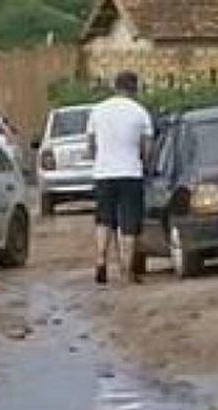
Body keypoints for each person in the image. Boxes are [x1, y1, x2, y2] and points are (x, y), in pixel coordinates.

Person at [87, 71, 154, 285]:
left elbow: (91, 146)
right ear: (134, 88)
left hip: (103, 173)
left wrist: (100, 160)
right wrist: (143, 162)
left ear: (115, 87)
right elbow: (147, 148)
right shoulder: (140, 113)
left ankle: (100, 260)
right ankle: (126, 270)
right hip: (130, 173)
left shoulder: (97, 110)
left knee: (103, 219)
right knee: (129, 222)